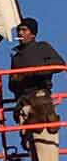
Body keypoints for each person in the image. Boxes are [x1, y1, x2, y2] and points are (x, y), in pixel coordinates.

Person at [9, 18, 65, 161]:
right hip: (23, 103)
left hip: (41, 101)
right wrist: (18, 79)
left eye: (24, 30)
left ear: (32, 33)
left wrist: (35, 71)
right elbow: (11, 84)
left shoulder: (42, 47)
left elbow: (59, 64)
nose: (20, 33)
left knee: (45, 141)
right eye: (19, 30)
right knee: (31, 145)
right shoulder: (16, 56)